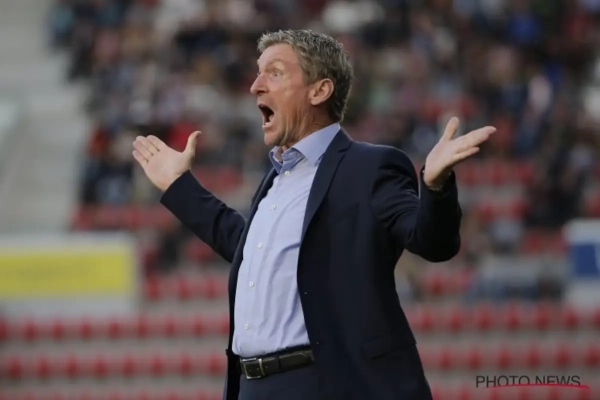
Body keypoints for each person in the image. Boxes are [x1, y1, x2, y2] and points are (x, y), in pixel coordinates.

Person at [132, 29, 495, 400]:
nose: (255, 86)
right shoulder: (275, 178)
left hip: (325, 384)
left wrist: (435, 186)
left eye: (274, 73)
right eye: (258, 73)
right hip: (251, 387)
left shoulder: (369, 167)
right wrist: (179, 185)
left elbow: (432, 242)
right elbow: (246, 248)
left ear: (319, 91)